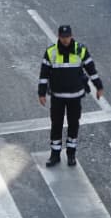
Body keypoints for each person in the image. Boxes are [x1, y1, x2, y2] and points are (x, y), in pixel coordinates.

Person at [38, 25, 104, 167]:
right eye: (63, 37)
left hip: (75, 97)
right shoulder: (51, 52)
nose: (65, 40)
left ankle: (71, 155)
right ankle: (55, 155)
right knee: (56, 125)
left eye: (67, 37)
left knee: (73, 125)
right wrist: (41, 93)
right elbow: (44, 74)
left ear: (71, 36)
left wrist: (99, 86)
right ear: (59, 37)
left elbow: (91, 70)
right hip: (57, 97)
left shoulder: (80, 50)